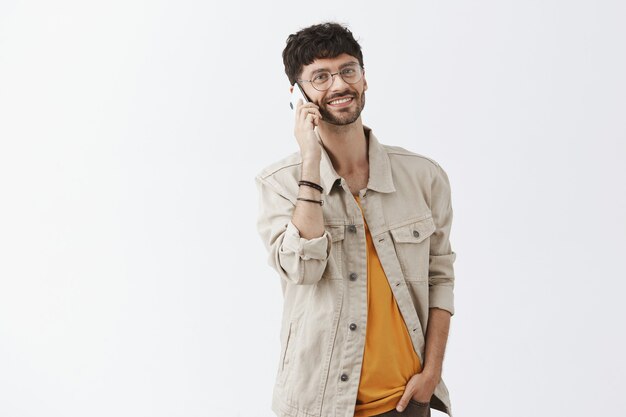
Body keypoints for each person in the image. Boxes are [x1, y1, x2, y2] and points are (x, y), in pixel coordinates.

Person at [255, 22, 457, 417]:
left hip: (405, 400)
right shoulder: (278, 184)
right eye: (321, 76)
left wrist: (432, 372)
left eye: (348, 70)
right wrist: (310, 160)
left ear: (364, 79)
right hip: (317, 403)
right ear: (298, 95)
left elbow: (440, 278)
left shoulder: (422, 176)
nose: (339, 85)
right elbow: (303, 267)